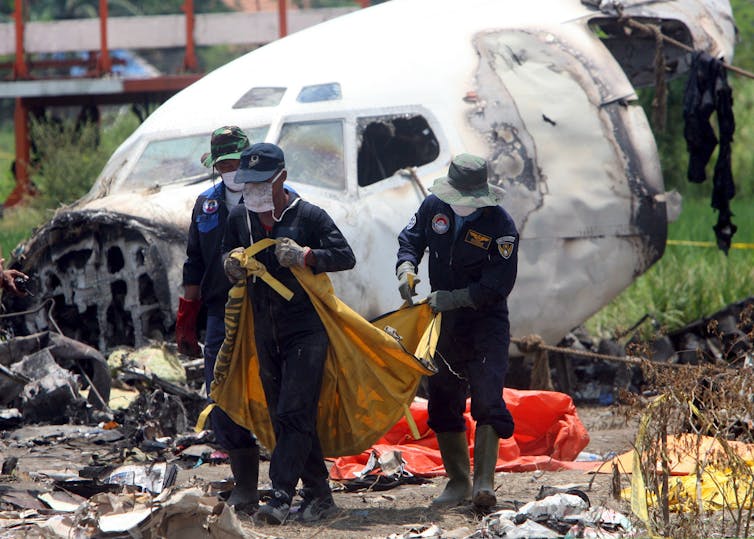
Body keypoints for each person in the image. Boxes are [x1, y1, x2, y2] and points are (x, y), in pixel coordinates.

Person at [222, 142, 356, 525]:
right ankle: (319, 493)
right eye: (247, 184)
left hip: (306, 329)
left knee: (296, 410)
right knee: (284, 415)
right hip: (264, 328)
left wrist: (307, 256)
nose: (252, 191)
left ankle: (280, 495)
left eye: (261, 182)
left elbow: (345, 255)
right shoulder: (240, 220)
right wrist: (230, 264)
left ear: (281, 178)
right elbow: (222, 257)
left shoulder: (309, 216)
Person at [395, 153, 518, 510]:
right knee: (443, 399)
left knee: (487, 398)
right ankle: (458, 481)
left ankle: (484, 483)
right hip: (443, 322)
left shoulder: (501, 226)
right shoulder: (434, 206)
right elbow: (411, 239)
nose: (460, 206)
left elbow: (499, 284)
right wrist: (406, 267)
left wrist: (457, 297)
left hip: (485, 321)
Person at [177, 126, 261, 513]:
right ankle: (245, 484)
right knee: (221, 391)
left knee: (272, 388)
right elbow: (194, 260)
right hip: (218, 313)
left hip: (264, 310)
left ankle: (286, 480)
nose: (229, 169)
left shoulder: (268, 198)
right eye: (223, 163)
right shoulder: (206, 204)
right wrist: (186, 316)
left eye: (235, 162)